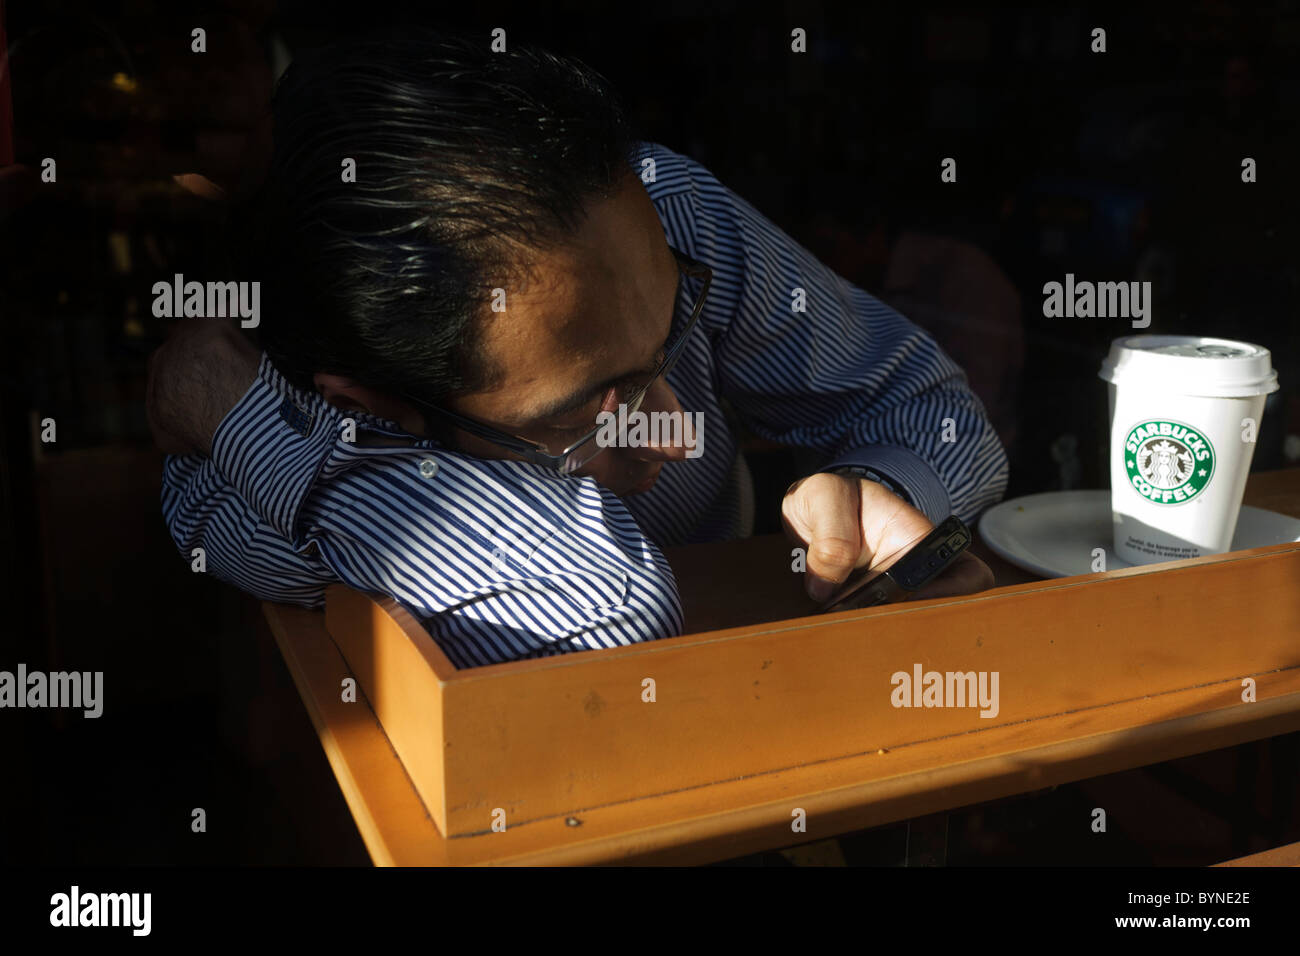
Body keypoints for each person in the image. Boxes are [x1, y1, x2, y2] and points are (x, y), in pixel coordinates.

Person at [147, 29, 1007, 668]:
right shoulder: (286, 418)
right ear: (365, 408)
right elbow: (603, 609)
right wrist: (234, 402)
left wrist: (877, 492)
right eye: (585, 410)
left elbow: (927, 406)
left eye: (674, 334)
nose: (678, 431)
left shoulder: (661, 216)